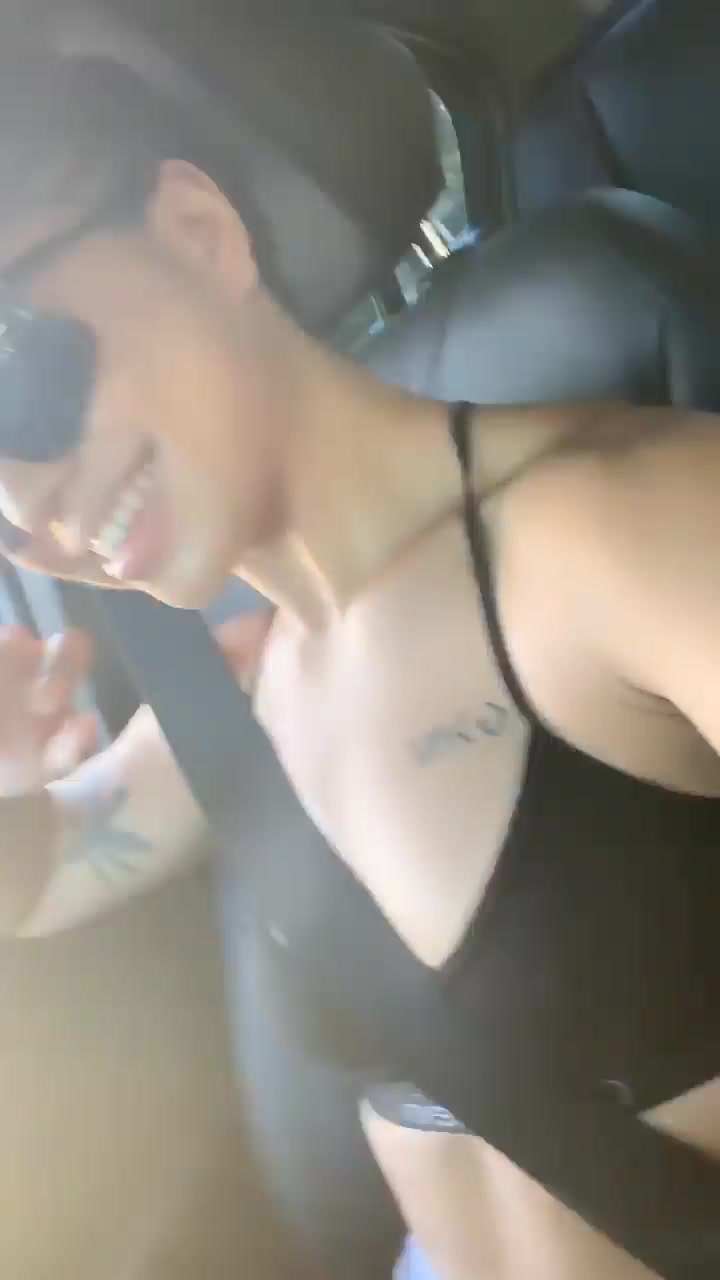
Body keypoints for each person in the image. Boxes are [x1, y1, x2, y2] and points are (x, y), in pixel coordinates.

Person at [0, 48, 719, 1280]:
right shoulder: (244, 693)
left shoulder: (627, 528)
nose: (24, 509)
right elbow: (44, 872)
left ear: (197, 232)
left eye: (10, 379)